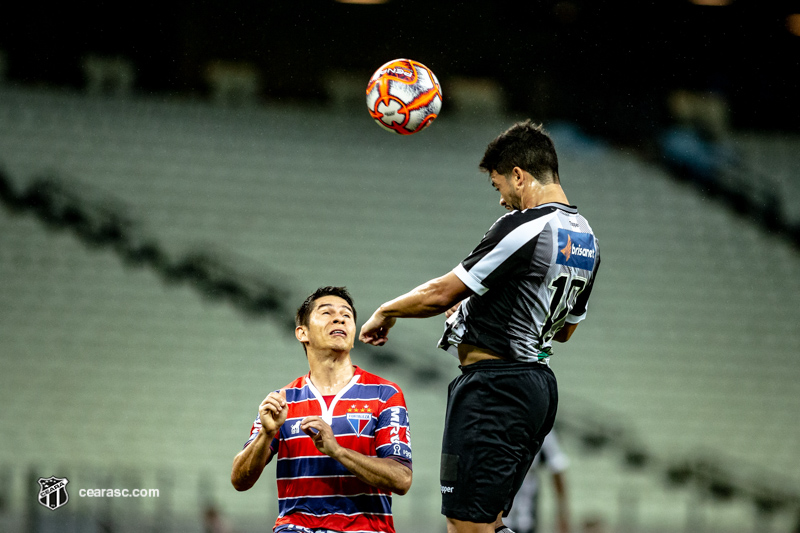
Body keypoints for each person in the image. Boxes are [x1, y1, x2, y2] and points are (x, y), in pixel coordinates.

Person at [359, 120, 600, 533]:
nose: (502, 200)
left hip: (495, 387)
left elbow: (440, 293)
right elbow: (564, 330)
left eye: (499, 186)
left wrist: (387, 310)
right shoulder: (587, 239)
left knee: (465, 524)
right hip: (536, 387)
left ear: (519, 176)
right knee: (488, 521)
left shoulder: (526, 225)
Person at [231, 286, 413, 533]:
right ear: (301, 332)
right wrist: (266, 434)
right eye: (326, 313)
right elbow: (240, 481)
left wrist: (337, 451)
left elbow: (401, 479)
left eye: (346, 315)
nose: (339, 318)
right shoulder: (282, 401)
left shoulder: (385, 394)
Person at [504, 431, 570, 533]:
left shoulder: (540, 426)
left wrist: (562, 515)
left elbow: (557, 466)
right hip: (492, 518)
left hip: (525, 517)